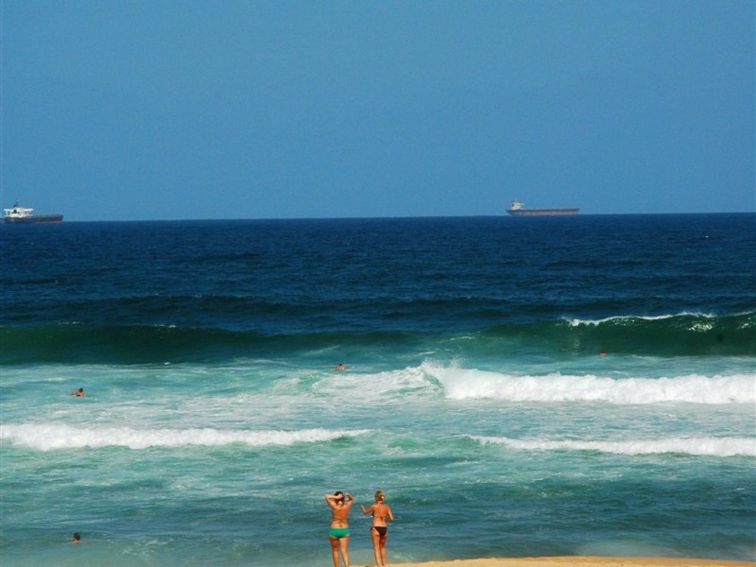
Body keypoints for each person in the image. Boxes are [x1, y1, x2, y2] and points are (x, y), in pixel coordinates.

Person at [360, 489, 394, 567]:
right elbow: (391, 518)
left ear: (376, 497)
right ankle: (384, 564)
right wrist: (385, 520)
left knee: (376, 548)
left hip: (376, 527)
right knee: (382, 547)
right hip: (384, 528)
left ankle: (379, 565)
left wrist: (362, 507)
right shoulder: (387, 506)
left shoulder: (374, 506)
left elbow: (365, 512)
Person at [325, 490, 354, 567]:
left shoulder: (334, 506)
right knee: (344, 551)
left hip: (334, 530)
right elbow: (352, 499)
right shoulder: (346, 506)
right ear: (343, 498)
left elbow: (326, 496)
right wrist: (349, 495)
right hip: (344, 530)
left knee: (335, 551)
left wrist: (335, 497)